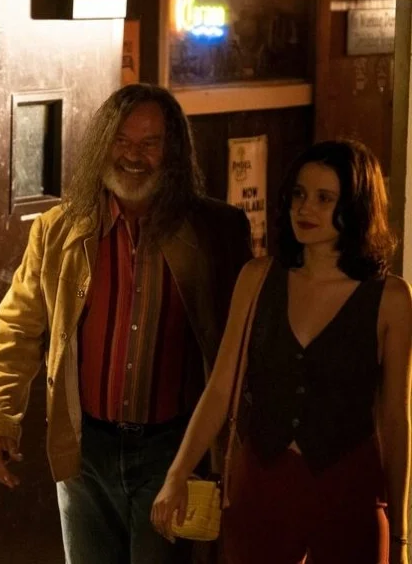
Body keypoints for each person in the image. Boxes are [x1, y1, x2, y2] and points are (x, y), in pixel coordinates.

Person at [0, 83, 252, 563]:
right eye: (121, 140)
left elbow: (243, 347)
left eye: (150, 143)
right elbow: (17, 330)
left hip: (175, 454)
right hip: (84, 453)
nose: (133, 156)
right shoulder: (58, 230)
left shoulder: (217, 232)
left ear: (174, 151)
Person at [151, 140, 411, 564]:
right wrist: (177, 473)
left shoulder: (391, 298)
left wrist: (401, 536)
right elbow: (220, 388)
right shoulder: (257, 278)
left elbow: (395, 419)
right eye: (299, 194)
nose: (305, 208)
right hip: (261, 484)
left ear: (356, 206)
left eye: (324, 198)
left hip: (348, 489)